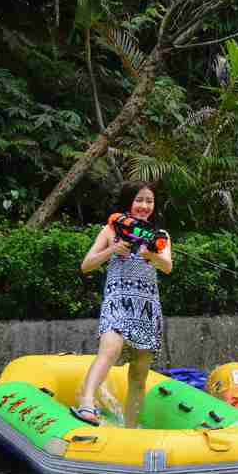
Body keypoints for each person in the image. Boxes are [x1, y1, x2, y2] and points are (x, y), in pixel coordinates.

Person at [71, 181, 173, 427]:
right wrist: (112, 250)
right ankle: (86, 403)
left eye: (149, 201)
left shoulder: (160, 236)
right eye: (139, 200)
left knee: (139, 373)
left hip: (146, 307)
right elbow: (86, 265)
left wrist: (153, 256)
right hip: (118, 300)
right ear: (129, 201)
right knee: (110, 350)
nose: (144, 206)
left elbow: (167, 267)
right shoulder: (111, 230)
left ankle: (130, 429)